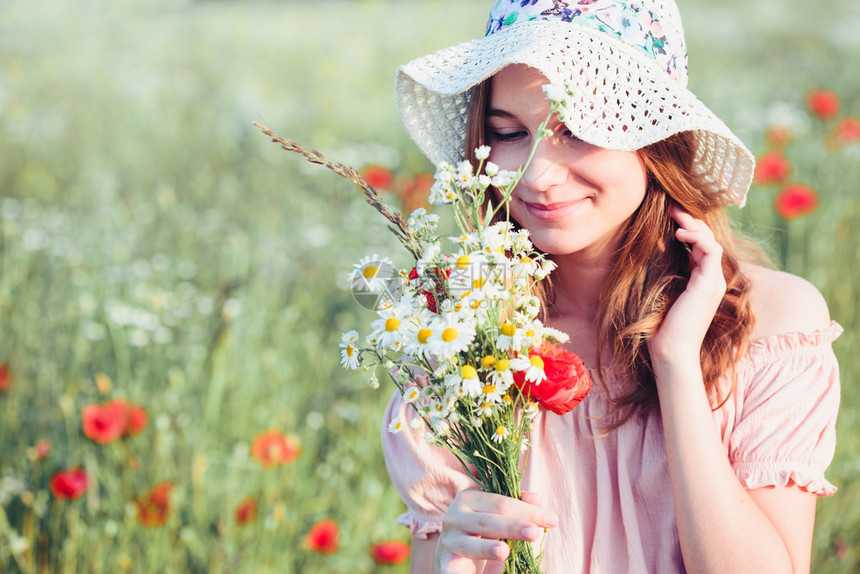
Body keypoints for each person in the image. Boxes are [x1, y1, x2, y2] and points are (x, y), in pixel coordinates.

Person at [382, 1, 841, 572]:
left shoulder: (774, 321)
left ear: (656, 140)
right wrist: (453, 556)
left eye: (578, 130)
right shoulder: (463, 346)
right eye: (508, 132)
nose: (540, 175)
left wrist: (675, 366)